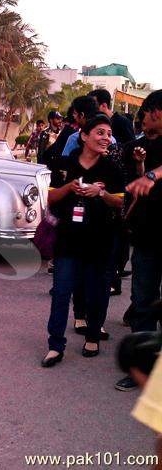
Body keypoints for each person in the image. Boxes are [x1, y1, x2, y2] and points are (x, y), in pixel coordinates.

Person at [41, 114, 125, 368]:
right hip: (68, 238)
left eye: (109, 134)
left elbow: (119, 202)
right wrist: (70, 187)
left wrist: (100, 192)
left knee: (96, 291)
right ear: (84, 136)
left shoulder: (111, 168)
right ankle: (55, 345)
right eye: (100, 132)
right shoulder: (65, 164)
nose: (106, 138)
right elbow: (51, 198)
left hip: (100, 239)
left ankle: (92, 337)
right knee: (61, 292)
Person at [116, 90, 162, 391]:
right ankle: (141, 367)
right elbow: (135, 187)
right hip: (146, 237)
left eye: (145, 114)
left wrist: (152, 175)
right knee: (142, 302)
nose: (143, 120)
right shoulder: (138, 146)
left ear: (156, 112)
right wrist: (140, 169)